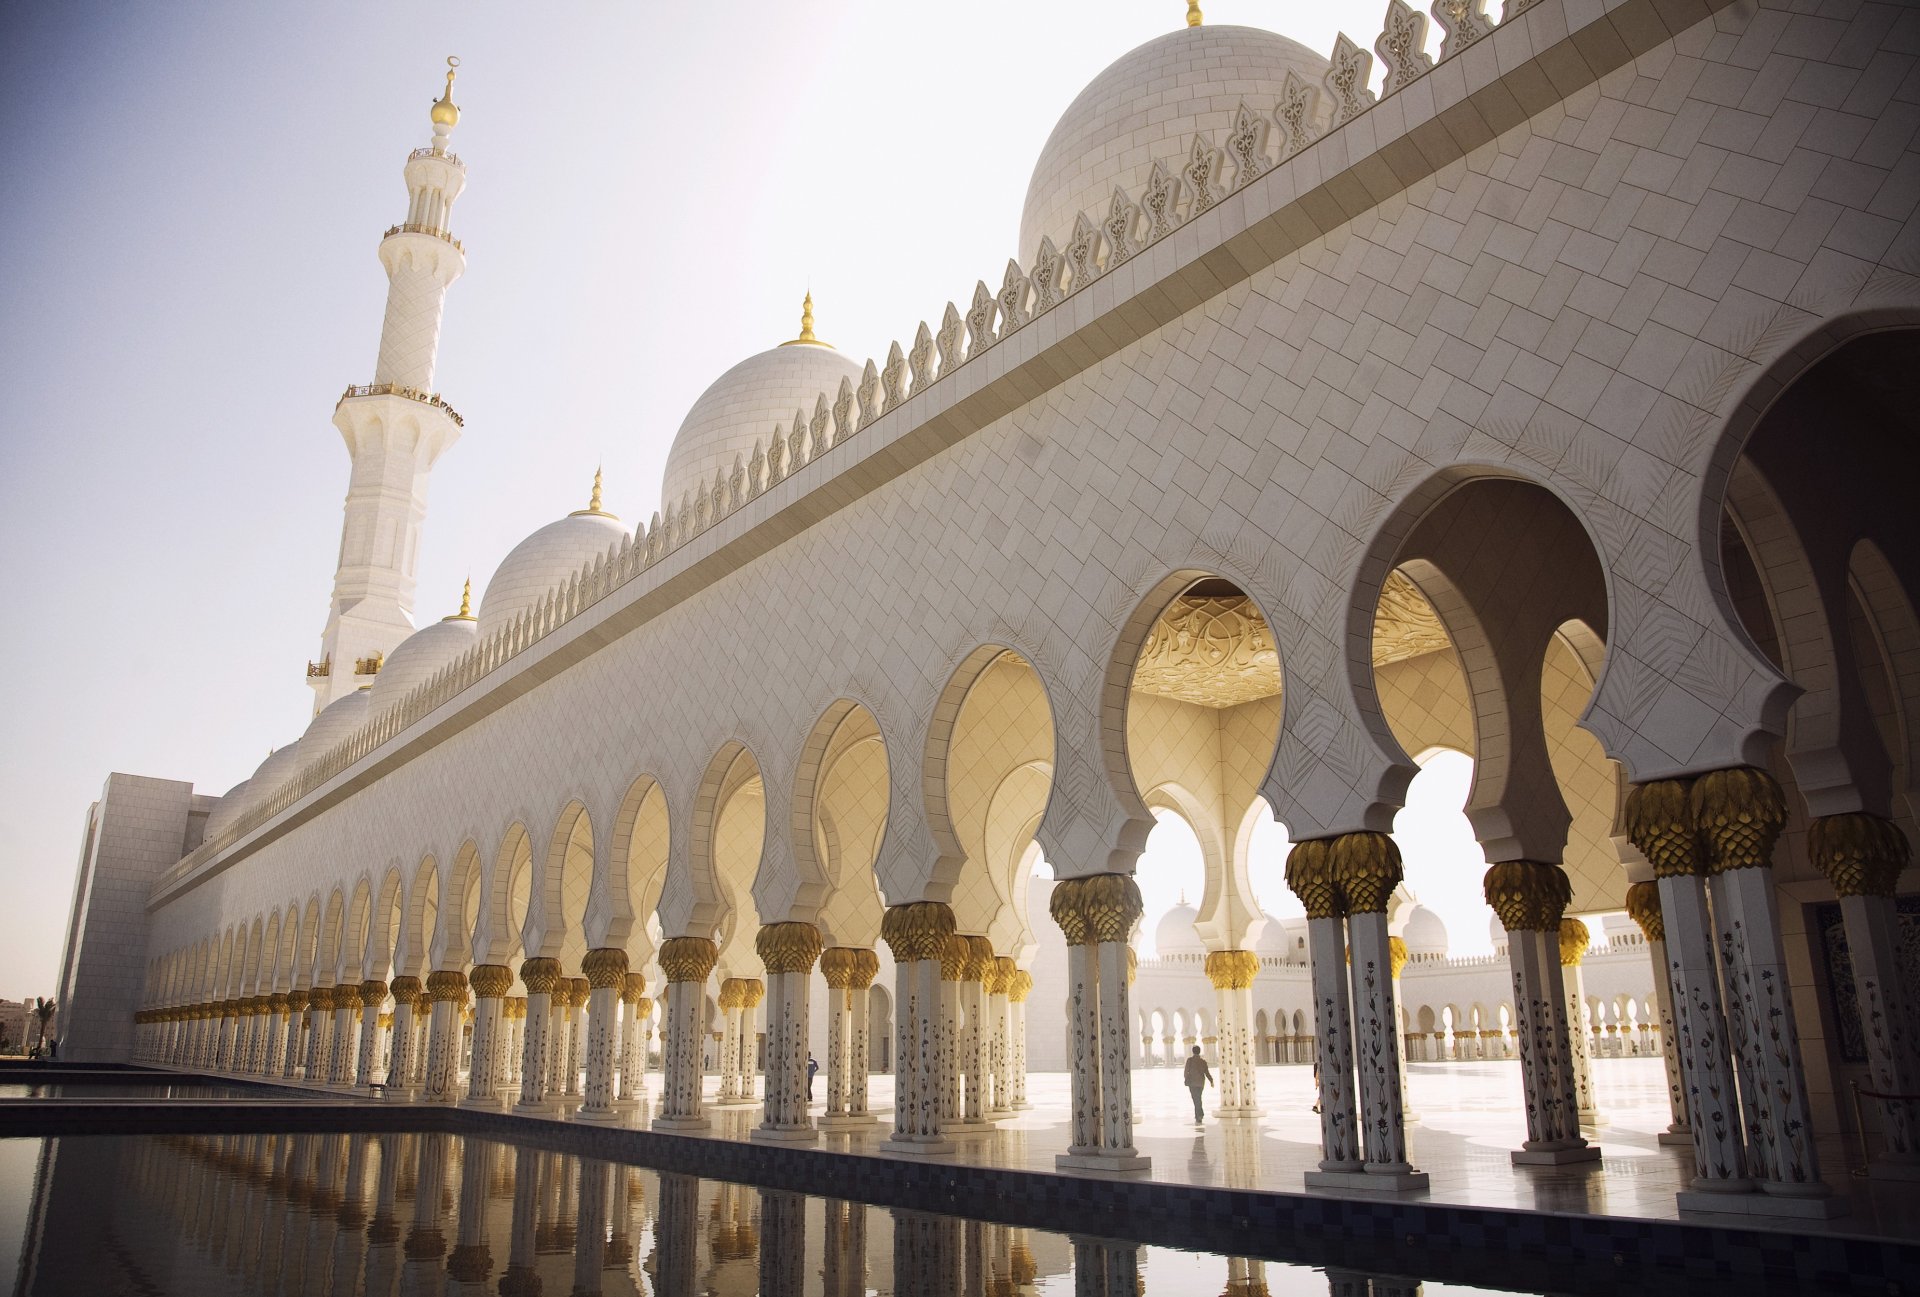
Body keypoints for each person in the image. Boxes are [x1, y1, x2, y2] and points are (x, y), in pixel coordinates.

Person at [1183, 1045, 1213, 1122]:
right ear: (1199, 1052)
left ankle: (1199, 1115)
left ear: (1193, 1052)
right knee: (1198, 1098)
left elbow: (1186, 1071)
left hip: (1192, 1083)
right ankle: (1199, 1114)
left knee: (1195, 1099)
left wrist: (1186, 1079)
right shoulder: (1203, 1062)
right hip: (1200, 1083)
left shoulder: (1189, 1060)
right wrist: (1211, 1081)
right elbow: (1207, 1073)